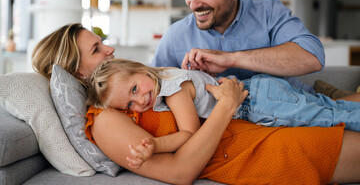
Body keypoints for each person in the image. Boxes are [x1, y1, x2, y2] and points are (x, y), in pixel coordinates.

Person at [32, 23, 360, 184]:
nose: (109, 51)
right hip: (256, 146)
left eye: (102, 43)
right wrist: (225, 106)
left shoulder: (131, 90)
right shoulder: (104, 119)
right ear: (78, 71)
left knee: (333, 109)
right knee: (334, 115)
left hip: (256, 124)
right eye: (96, 50)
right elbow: (180, 171)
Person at [86, 58, 360, 168]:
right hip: (262, 92)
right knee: (332, 108)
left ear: (143, 70)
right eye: (129, 106)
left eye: (135, 88)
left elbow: (189, 133)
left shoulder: (172, 89)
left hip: (260, 102)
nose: (140, 101)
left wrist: (156, 145)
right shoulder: (163, 79)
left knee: (329, 117)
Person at [151, 0, 324, 93]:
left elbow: (313, 57)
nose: (193, 4)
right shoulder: (176, 36)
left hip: (298, 112)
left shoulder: (267, 12)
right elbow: (151, 88)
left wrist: (232, 59)